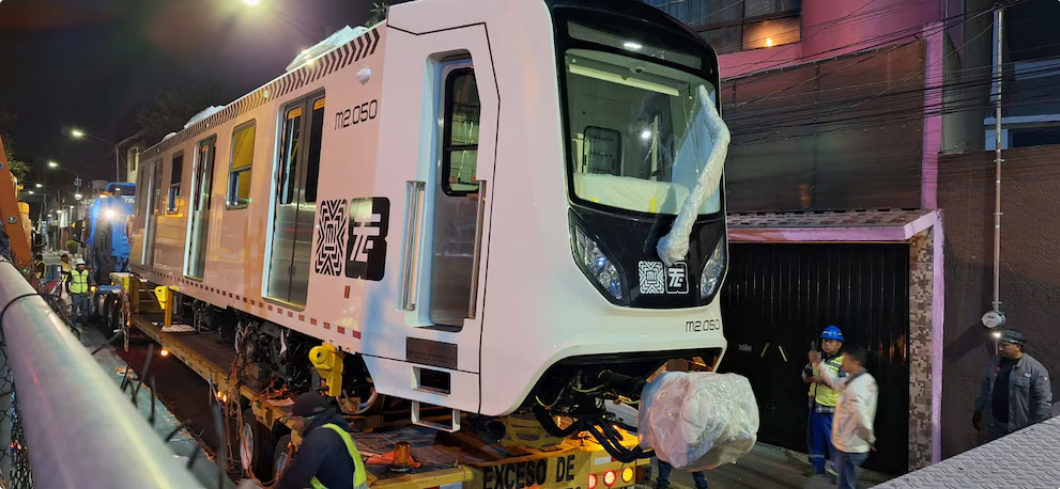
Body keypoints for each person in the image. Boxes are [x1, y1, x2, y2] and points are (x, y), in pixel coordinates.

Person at [808, 345, 877, 489]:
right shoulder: (856, 379)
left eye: (846, 360)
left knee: (846, 484)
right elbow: (834, 382)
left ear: (855, 363)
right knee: (846, 481)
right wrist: (819, 363)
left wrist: (869, 438)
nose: (842, 362)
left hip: (851, 445)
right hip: (849, 444)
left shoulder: (857, 387)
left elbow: (861, 417)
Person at [973, 329, 1052, 442]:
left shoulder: (1035, 369)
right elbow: (985, 389)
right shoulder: (994, 362)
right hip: (995, 426)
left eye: (1005, 345)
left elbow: (1043, 400)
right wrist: (978, 410)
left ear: (1017, 346)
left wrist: (1039, 427)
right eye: (999, 345)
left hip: (1021, 429)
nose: (1000, 348)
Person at [277, 392, 367, 489]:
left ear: (302, 420)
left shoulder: (316, 440)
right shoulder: (336, 429)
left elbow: (295, 478)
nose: (295, 425)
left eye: (296, 420)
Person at [801, 325, 845, 477]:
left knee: (834, 441)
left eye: (831, 341)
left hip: (833, 409)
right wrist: (810, 378)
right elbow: (804, 375)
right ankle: (816, 466)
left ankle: (837, 471)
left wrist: (823, 380)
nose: (826, 343)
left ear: (839, 344)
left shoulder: (843, 361)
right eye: (825, 340)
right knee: (815, 438)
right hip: (816, 406)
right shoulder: (817, 357)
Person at [66, 258, 92, 329]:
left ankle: (84, 324)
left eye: (83, 265)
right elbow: (67, 282)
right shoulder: (72, 272)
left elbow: (89, 282)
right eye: (80, 265)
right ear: (77, 266)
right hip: (75, 293)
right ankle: (73, 324)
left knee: (84, 310)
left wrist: (89, 291)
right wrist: (68, 291)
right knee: (74, 309)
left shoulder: (86, 272)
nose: (82, 266)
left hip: (84, 294)